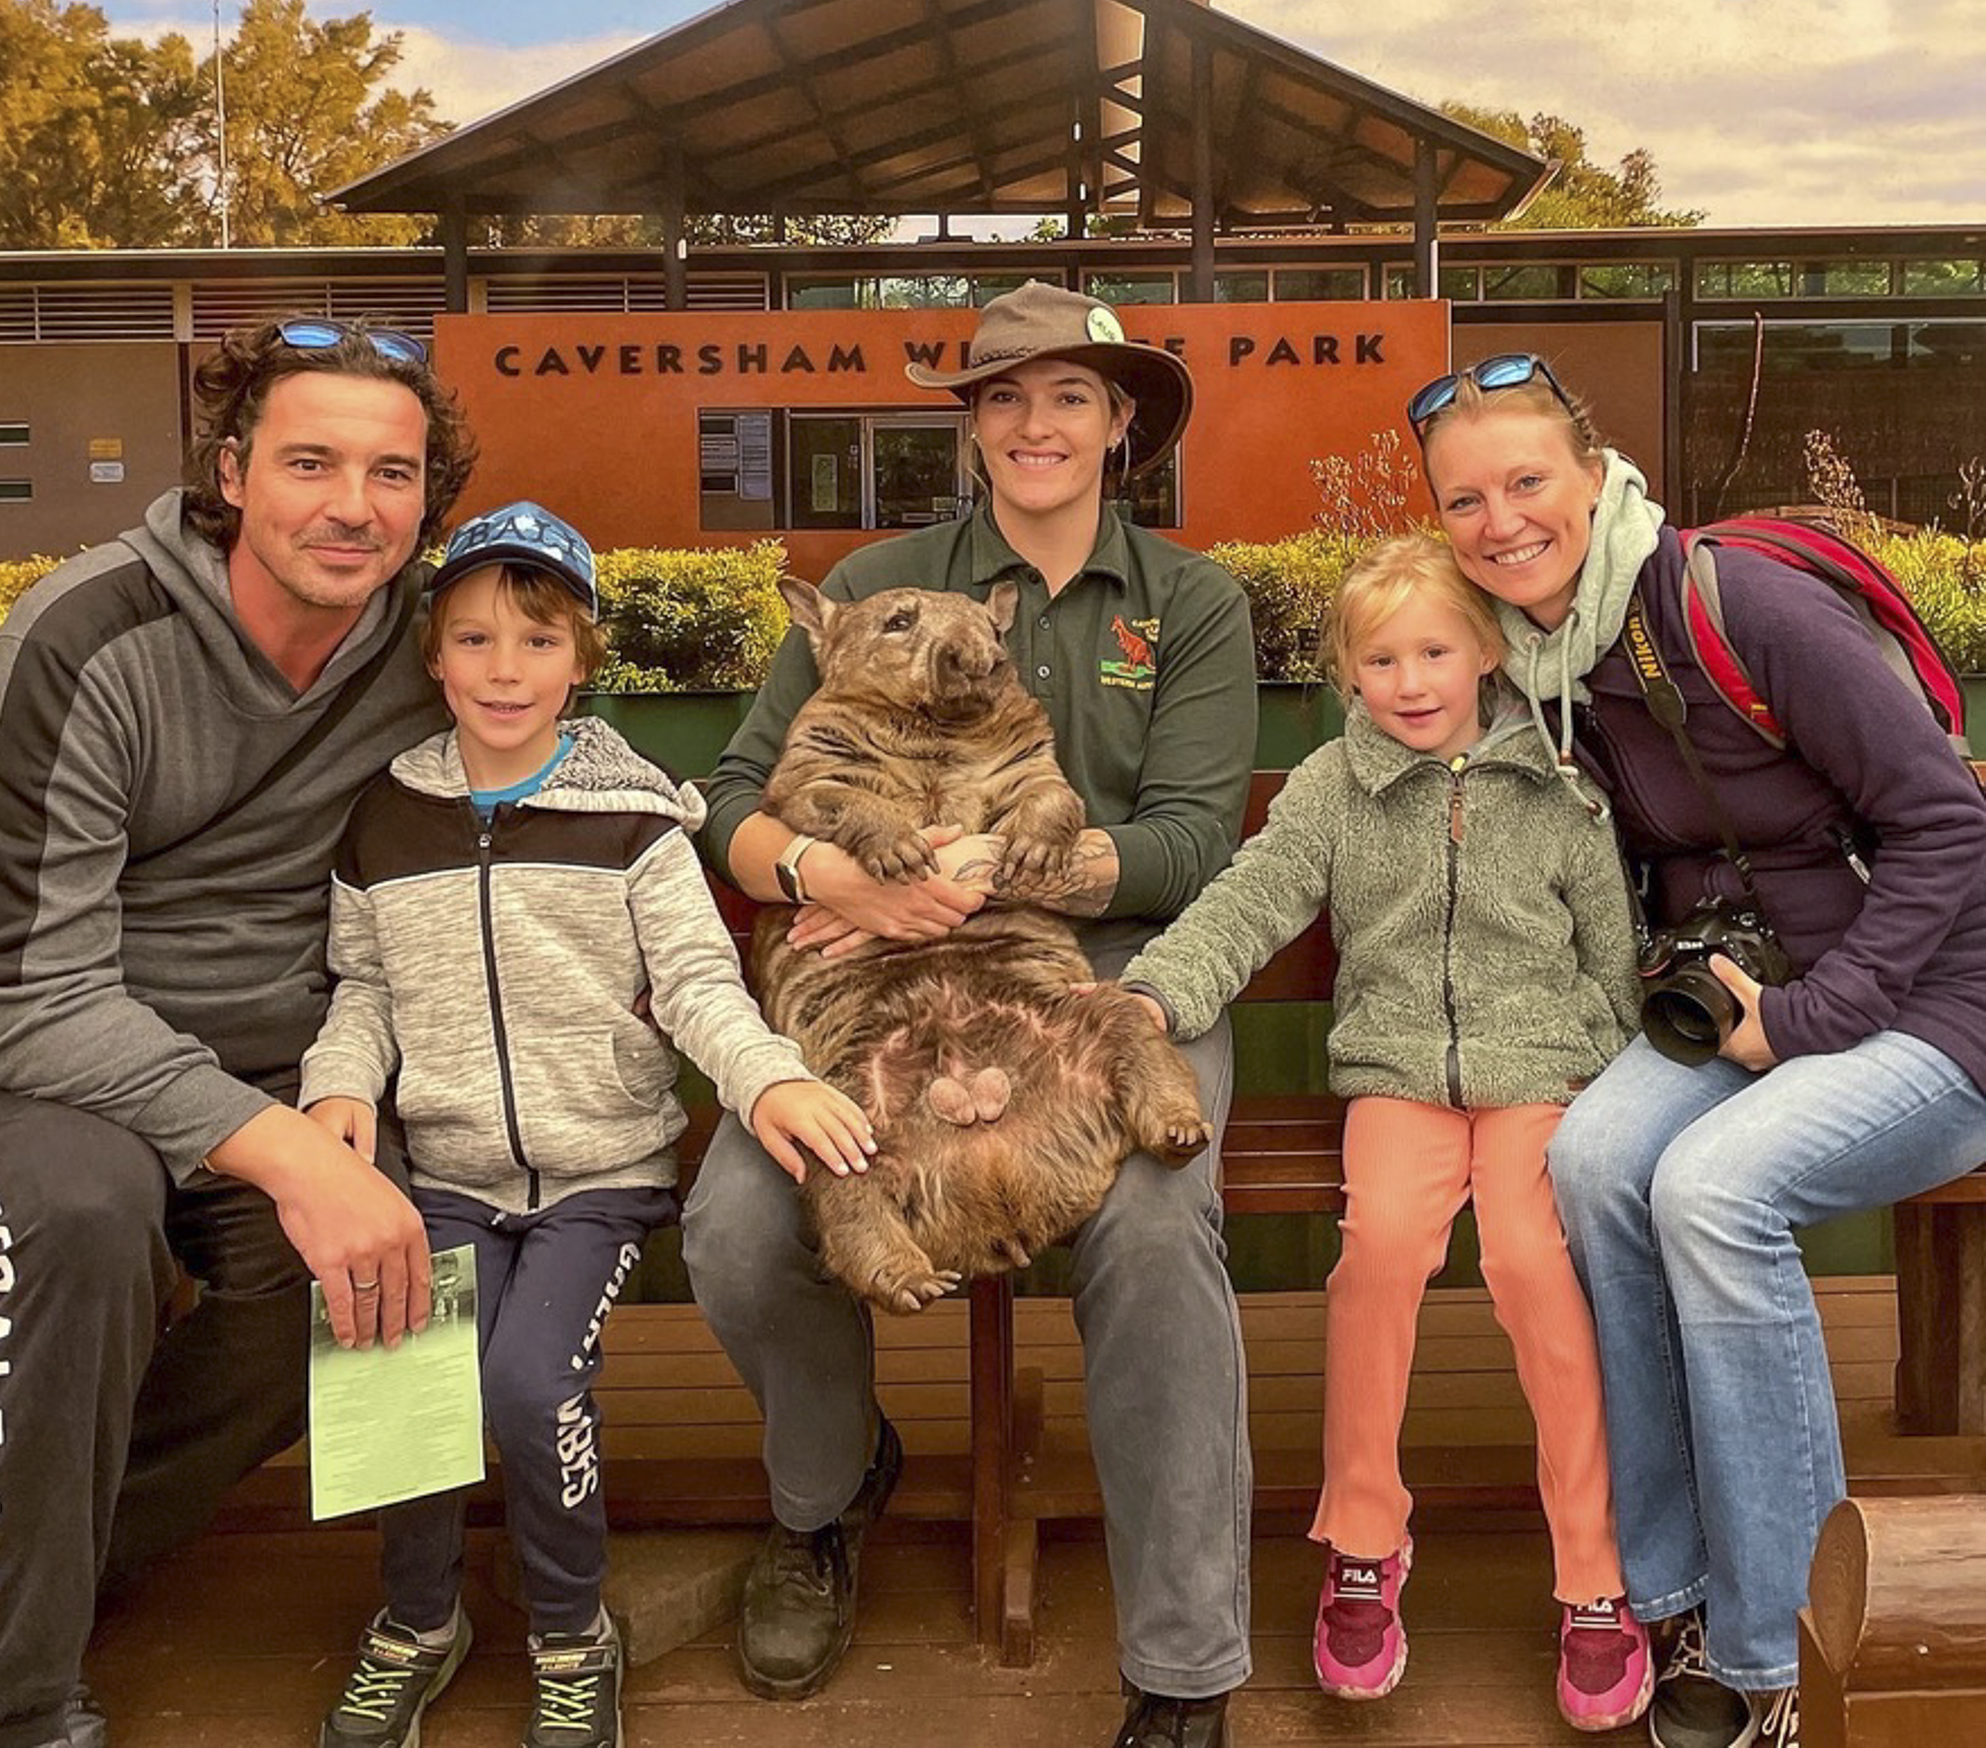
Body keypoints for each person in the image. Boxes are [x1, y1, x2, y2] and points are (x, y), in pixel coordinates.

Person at [684, 281, 1257, 1746]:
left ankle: (1184, 1663)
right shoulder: (882, 581)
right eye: (1003, 396)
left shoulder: (1189, 603)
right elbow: (738, 799)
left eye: (1068, 395)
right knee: (741, 1222)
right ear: (973, 426)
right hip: (873, 978)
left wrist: (1005, 871)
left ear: (1121, 422)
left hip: (1097, 978)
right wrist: (828, 875)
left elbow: (1194, 837)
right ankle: (825, 1494)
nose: (1033, 423)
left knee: (1153, 1224)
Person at [1410, 353, 1986, 1748]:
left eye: (1527, 481)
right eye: (1464, 500)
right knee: (1595, 1162)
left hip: (1932, 1004)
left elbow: (1947, 823)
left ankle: (1783, 1645)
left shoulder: (1738, 605)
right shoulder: (1535, 661)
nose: (1501, 522)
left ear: (1595, 470)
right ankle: (1669, 1587)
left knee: (1713, 1191)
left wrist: (1810, 1021)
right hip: (1745, 997)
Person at [298, 500, 868, 1748]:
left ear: (582, 657)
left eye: (538, 640)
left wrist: (766, 1078)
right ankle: (416, 1618)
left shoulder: (635, 818)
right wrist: (338, 1084)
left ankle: (570, 1633)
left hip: (596, 1173)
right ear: (433, 655)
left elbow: (698, 982)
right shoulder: (385, 813)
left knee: (524, 1376)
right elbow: (364, 986)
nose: (505, 669)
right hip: (440, 1166)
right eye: (474, 638)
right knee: (395, 1356)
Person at [0, 320, 478, 1748]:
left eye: (392, 473)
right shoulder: (88, 637)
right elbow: (25, 988)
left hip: (304, 1055)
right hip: (67, 1053)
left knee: (385, 1266)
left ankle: (51, 1565)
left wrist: (799, 864)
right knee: (82, 1225)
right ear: (231, 472)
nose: (351, 506)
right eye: (310, 462)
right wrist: (288, 1154)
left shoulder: (428, 643)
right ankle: (20, 1696)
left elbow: (566, 750)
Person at [1113, 533, 1654, 1732]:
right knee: (1378, 1254)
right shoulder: (1331, 788)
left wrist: (1611, 1068)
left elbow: (1610, 951)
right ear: (1346, 672)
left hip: (1537, 1075)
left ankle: (1591, 1564)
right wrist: (1155, 991)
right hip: (1398, 1079)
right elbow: (1248, 898)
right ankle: (1362, 1537)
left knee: (1532, 1258)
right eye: (1379, 659)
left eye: (1433, 652)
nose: (1409, 681)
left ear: (1487, 650)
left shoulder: (1557, 787)